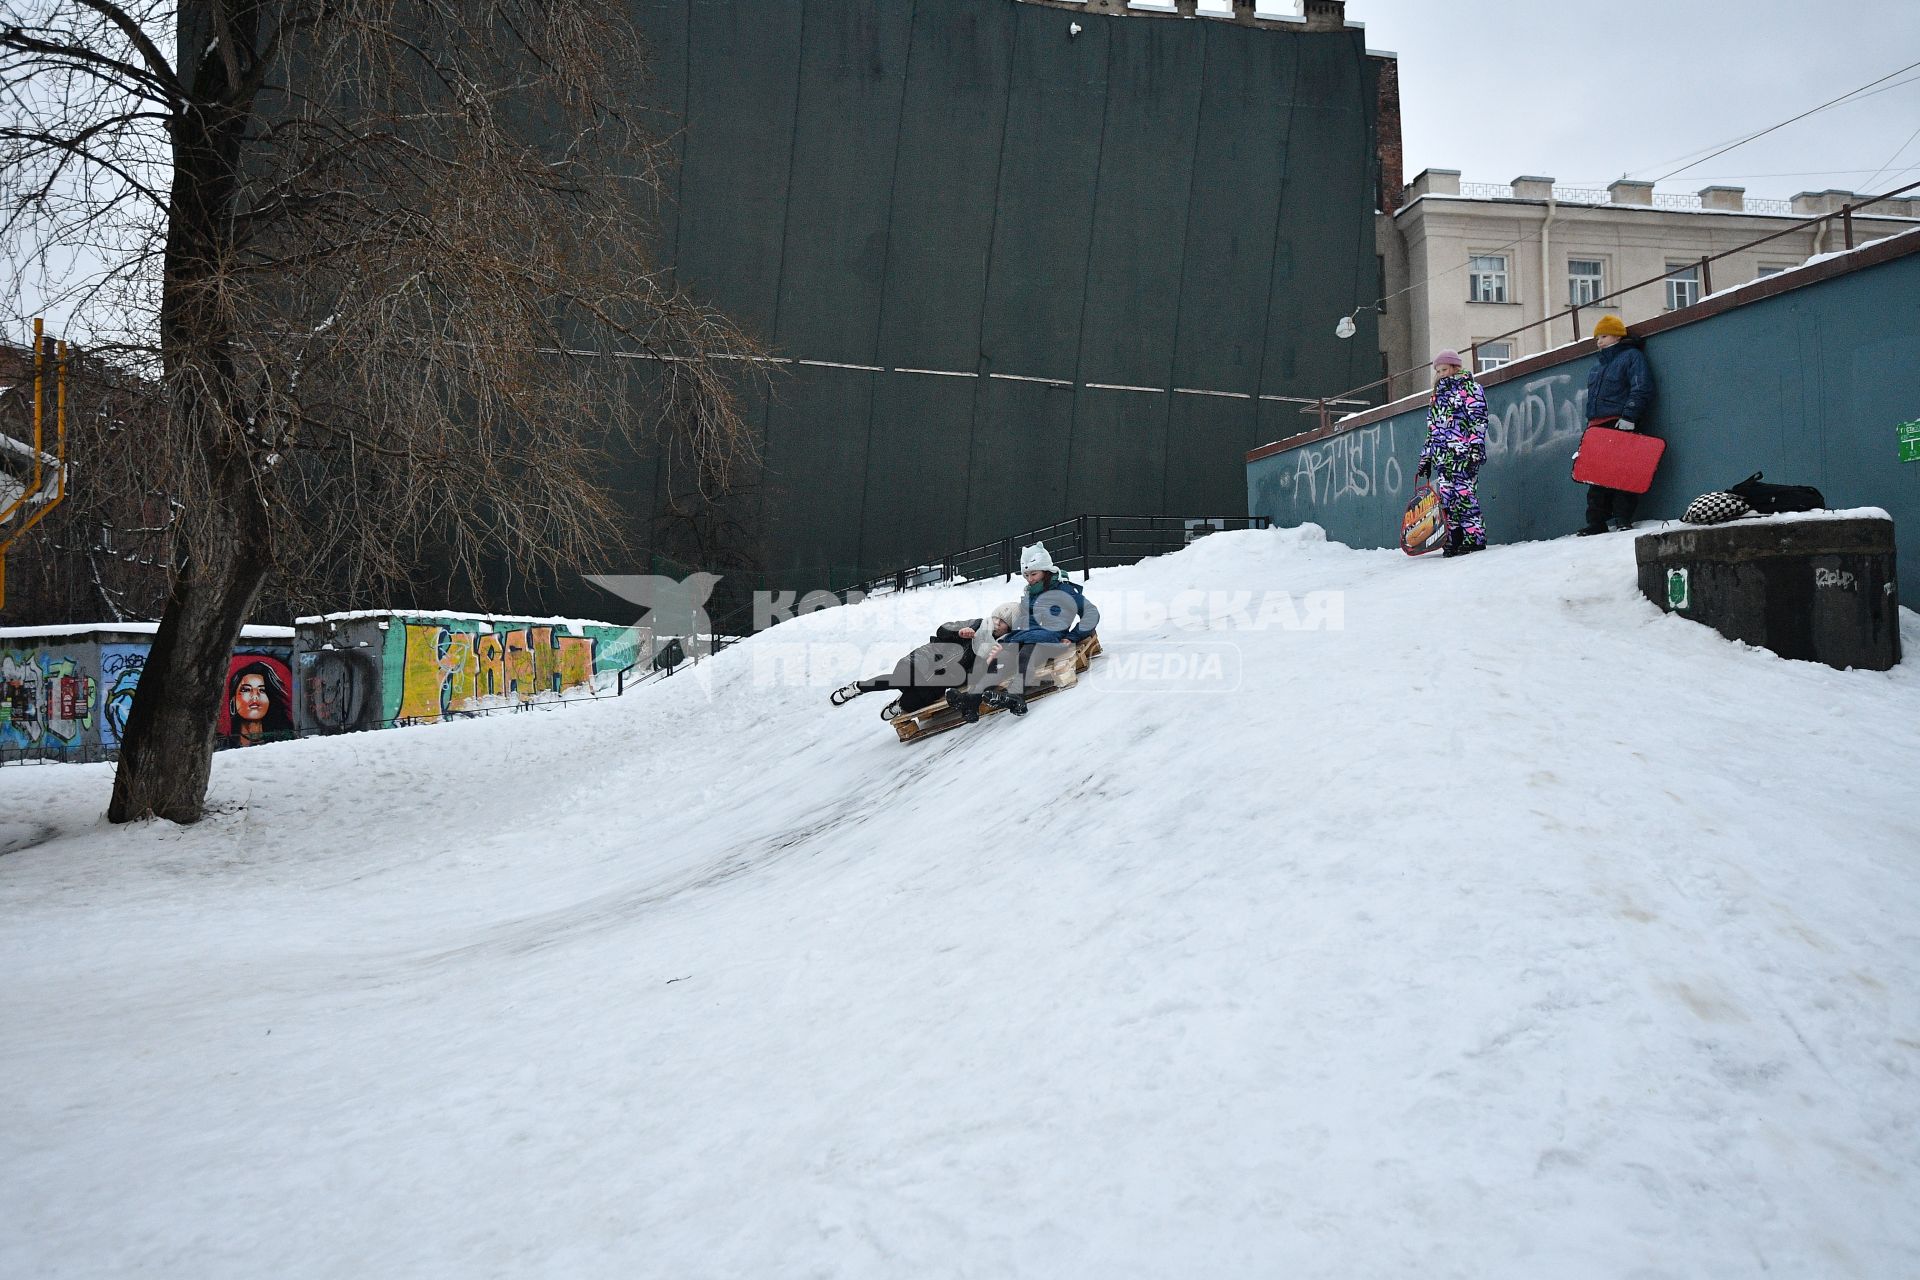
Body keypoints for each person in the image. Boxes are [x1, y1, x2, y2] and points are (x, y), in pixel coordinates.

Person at [954, 542, 1101, 712]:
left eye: (1034, 574)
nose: (1030, 579)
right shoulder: (1030, 594)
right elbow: (1024, 623)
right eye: (1026, 575)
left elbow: (1091, 613)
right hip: (1025, 636)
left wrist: (1073, 636)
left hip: (1048, 638)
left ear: (1046, 570)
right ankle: (971, 701)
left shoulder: (1064, 590)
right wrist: (1008, 640)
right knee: (999, 659)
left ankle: (1016, 696)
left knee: (1026, 655)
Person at [835, 602, 1021, 721]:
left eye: (1003, 622)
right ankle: (858, 687)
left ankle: (899, 705)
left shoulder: (998, 647)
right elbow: (942, 630)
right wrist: (958, 632)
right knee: (902, 679)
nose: (997, 623)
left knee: (911, 702)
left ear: (1009, 629)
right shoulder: (977, 623)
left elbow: (976, 676)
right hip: (927, 658)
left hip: (942, 680)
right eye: (997, 617)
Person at [1577, 315, 1655, 535]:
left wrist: (1629, 417)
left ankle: (1623, 518)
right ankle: (1596, 522)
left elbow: (1641, 387)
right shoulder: (1598, 366)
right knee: (1596, 477)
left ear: (1618, 335)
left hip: (1619, 422)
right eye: (1597, 337)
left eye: (1604, 336)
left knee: (1623, 474)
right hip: (1597, 425)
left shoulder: (1631, 357)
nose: (1599, 341)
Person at [1416, 350, 1489, 557]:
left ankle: (1474, 538)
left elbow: (1478, 420)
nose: (1441, 374)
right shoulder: (1437, 396)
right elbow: (1432, 429)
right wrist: (1426, 458)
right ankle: (1454, 537)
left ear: (1455, 368)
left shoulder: (1470, 389)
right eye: (1438, 371)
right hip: (1442, 457)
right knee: (1447, 498)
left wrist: (1475, 447)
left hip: (1463, 455)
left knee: (1465, 495)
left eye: (1444, 369)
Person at [223, 659, 294, 747]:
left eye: (262, 690)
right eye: (246, 690)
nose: (255, 696)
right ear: (233, 700)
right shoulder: (222, 747)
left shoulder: (285, 742)